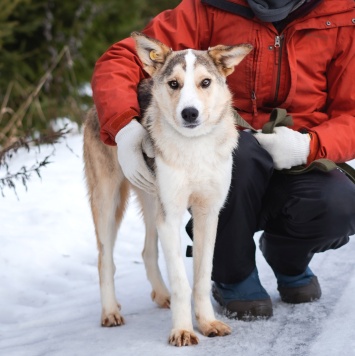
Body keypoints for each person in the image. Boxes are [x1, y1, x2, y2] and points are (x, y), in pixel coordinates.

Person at [91, 0, 355, 320]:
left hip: (297, 154)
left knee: (339, 201)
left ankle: (288, 259)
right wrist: (123, 128)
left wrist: (310, 145)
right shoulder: (211, 7)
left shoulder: (341, 15)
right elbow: (122, 58)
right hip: (228, 144)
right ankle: (234, 275)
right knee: (235, 155)